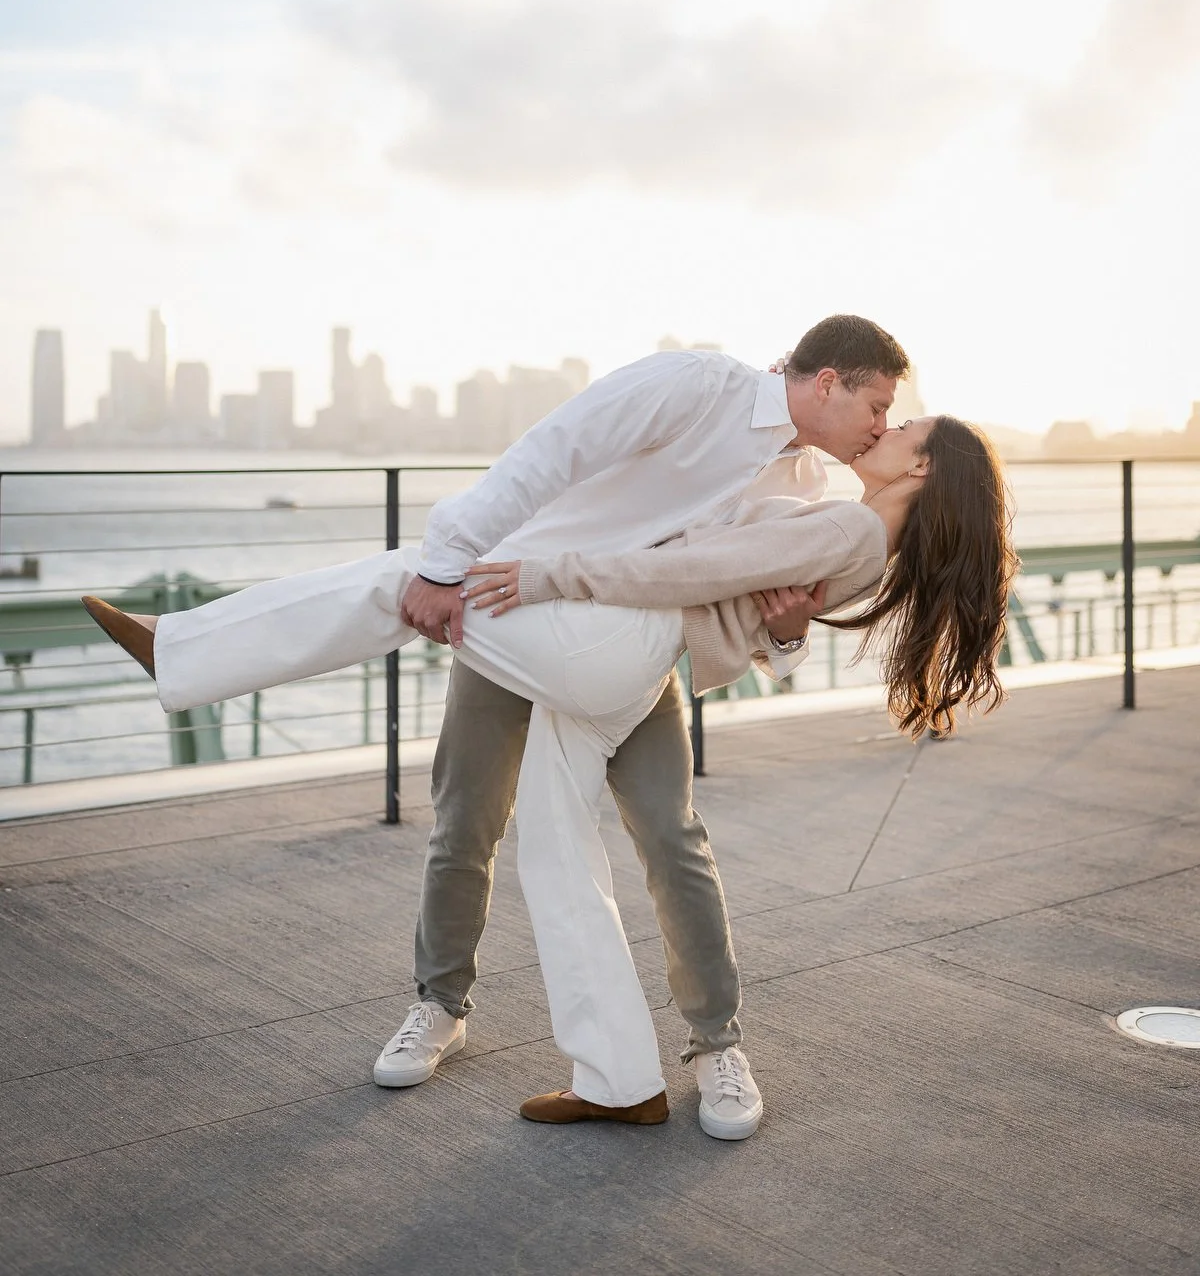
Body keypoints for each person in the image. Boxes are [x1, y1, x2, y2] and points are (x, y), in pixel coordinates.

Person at [84, 315, 913, 1139]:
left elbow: (739, 600)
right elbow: (552, 452)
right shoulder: (697, 386)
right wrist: (448, 564)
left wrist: (789, 633)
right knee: (467, 817)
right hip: (518, 600)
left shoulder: (806, 485)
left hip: (622, 655)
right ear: (827, 383)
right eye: (877, 405)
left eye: (891, 417)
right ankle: (440, 1007)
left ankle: (717, 1047)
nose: (880, 425)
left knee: (672, 838)